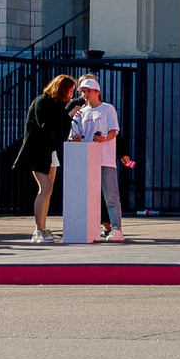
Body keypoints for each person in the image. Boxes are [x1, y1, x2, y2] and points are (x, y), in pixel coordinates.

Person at [13, 74, 80, 244]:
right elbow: (47, 126)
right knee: (45, 188)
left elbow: (61, 129)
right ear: (61, 89)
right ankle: (38, 230)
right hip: (37, 150)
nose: (71, 93)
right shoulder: (42, 101)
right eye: (69, 90)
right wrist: (67, 116)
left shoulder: (58, 105)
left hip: (50, 151)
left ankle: (42, 227)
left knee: (48, 191)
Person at [70, 75, 124, 239]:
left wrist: (104, 138)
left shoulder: (107, 109)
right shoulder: (80, 112)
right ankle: (90, 227)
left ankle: (116, 228)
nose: (85, 94)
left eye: (88, 91)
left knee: (110, 196)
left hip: (105, 158)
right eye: (83, 91)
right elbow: (73, 134)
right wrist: (76, 138)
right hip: (86, 159)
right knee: (89, 196)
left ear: (96, 91)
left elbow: (114, 131)